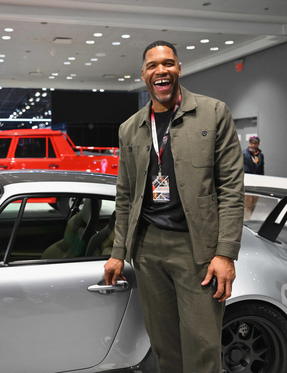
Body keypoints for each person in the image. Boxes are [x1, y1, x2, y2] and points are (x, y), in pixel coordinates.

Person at [104, 41, 244, 373]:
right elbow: (125, 197)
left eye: (168, 64)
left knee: (202, 346)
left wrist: (225, 253)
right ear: (144, 75)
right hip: (148, 249)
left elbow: (232, 189)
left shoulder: (213, 113)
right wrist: (118, 251)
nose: (161, 70)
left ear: (179, 69)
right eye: (153, 66)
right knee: (165, 346)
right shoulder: (131, 128)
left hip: (197, 251)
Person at [243, 136, 264, 219]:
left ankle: (248, 218)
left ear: (258, 144)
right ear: (249, 143)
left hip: (257, 182)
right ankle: (246, 221)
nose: (253, 145)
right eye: (251, 143)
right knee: (247, 202)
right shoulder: (244, 154)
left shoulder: (260, 155)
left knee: (254, 202)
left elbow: (261, 168)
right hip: (247, 181)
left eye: (255, 143)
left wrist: (262, 181)